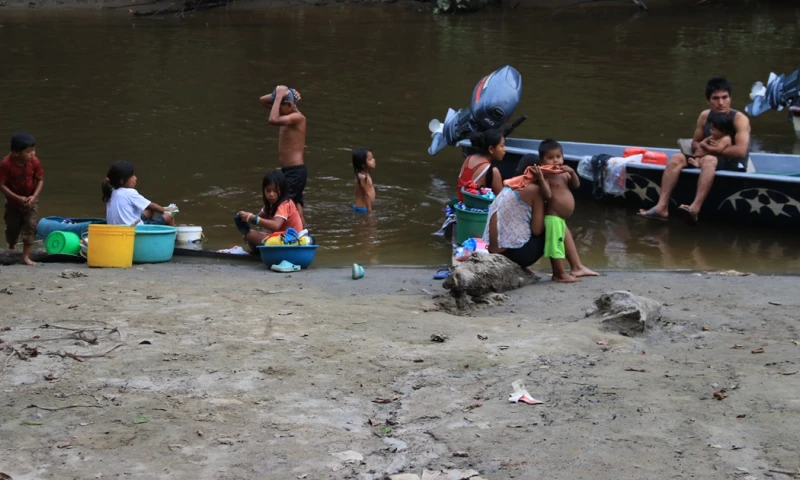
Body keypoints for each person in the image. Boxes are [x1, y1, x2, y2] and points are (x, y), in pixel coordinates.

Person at [638, 77, 751, 225]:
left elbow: (740, 151)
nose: (721, 103)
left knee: (710, 160)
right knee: (676, 158)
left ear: (731, 98)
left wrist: (708, 152)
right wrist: (701, 148)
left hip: (733, 163)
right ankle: (662, 207)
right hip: (706, 157)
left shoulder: (739, 119)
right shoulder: (705, 116)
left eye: (725, 98)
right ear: (708, 100)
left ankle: (694, 208)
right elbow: (695, 142)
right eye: (715, 98)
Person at [483, 153, 597, 280]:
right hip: (513, 255)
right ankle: (561, 272)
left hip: (496, 252)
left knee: (553, 220)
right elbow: (537, 230)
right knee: (554, 220)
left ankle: (575, 266)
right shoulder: (534, 190)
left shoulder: (512, 185)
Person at [517, 139, 581, 283]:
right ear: (542, 161)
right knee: (556, 247)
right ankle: (560, 274)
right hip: (553, 217)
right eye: (550, 158)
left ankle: (562, 272)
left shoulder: (564, 173)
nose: (555, 161)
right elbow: (547, 195)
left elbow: (576, 185)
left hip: (560, 219)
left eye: (558, 157)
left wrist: (572, 172)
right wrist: (540, 178)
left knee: (558, 244)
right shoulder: (546, 176)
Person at [260, 85, 308, 226]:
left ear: (289, 105)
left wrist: (280, 96)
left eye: (280, 107)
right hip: (290, 171)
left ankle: (292, 233)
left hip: (295, 171)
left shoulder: (297, 117)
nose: (277, 110)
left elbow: (272, 120)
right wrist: (283, 92)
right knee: (295, 204)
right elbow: (262, 100)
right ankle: (304, 233)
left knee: (284, 203)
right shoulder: (286, 114)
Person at [0, 133, 44, 265]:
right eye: (29, 152)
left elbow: (40, 180)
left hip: (31, 201)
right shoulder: (6, 164)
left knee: (30, 226)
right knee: (12, 228)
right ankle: (12, 248)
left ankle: (25, 256)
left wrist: (34, 196)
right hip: (13, 202)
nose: (33, 154)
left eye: (33, 150)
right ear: (16, 153)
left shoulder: (34, 161)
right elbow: (1, 184)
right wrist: (17, 198)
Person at [236, 170, 303, 253]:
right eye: (268, 191)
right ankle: (257, 252)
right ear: (264, 191)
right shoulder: (270, 205)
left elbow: (275, 226)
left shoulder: (285, 204)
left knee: (250, 235)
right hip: (281, 239)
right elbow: (257, 218)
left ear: (282, 190)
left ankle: (257, 252)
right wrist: (244, 218)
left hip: (292, 241)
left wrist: (253, 218)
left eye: (275, 191)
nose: (271, 194)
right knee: (248, 235)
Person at [102, 161, 177, 226]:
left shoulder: (110, 192)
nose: (135, 178)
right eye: (133, 176)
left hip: (116, 228)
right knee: (169, 217)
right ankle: (174, 237)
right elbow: (152, 206)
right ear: (122, 181)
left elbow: (149, 207)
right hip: (134, 229)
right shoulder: (129, 192)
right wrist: (166, 210)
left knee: (148, 210)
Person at [456, 129, 505, 202]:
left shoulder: (469, 158)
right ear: (491, 149)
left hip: (459, 208)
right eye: (502, 146)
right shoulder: (492, 171)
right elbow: (501, 201)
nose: (505, 149)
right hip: (475, 211)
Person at [352, 148, 376, 213]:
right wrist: (369, 212)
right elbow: (366, 195)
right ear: (362, 164)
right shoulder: (363, 177)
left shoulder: (364, 174)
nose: (374, 160)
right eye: (370, 159)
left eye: (373, 158)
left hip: (362, 207)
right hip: (363, 209)